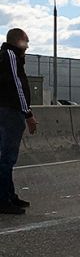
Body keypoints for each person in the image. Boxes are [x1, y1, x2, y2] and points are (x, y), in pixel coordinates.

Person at [0, 28, 38, 214]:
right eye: (26, 41)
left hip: (5, 112)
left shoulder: (5, 55)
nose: (28, 45)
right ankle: (3, 200)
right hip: (10, 113)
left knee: (5, 157)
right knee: (7, 158)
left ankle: (9, 195)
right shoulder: (11, 55)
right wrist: (28, 113)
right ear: (18, 41)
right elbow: (17, 86)